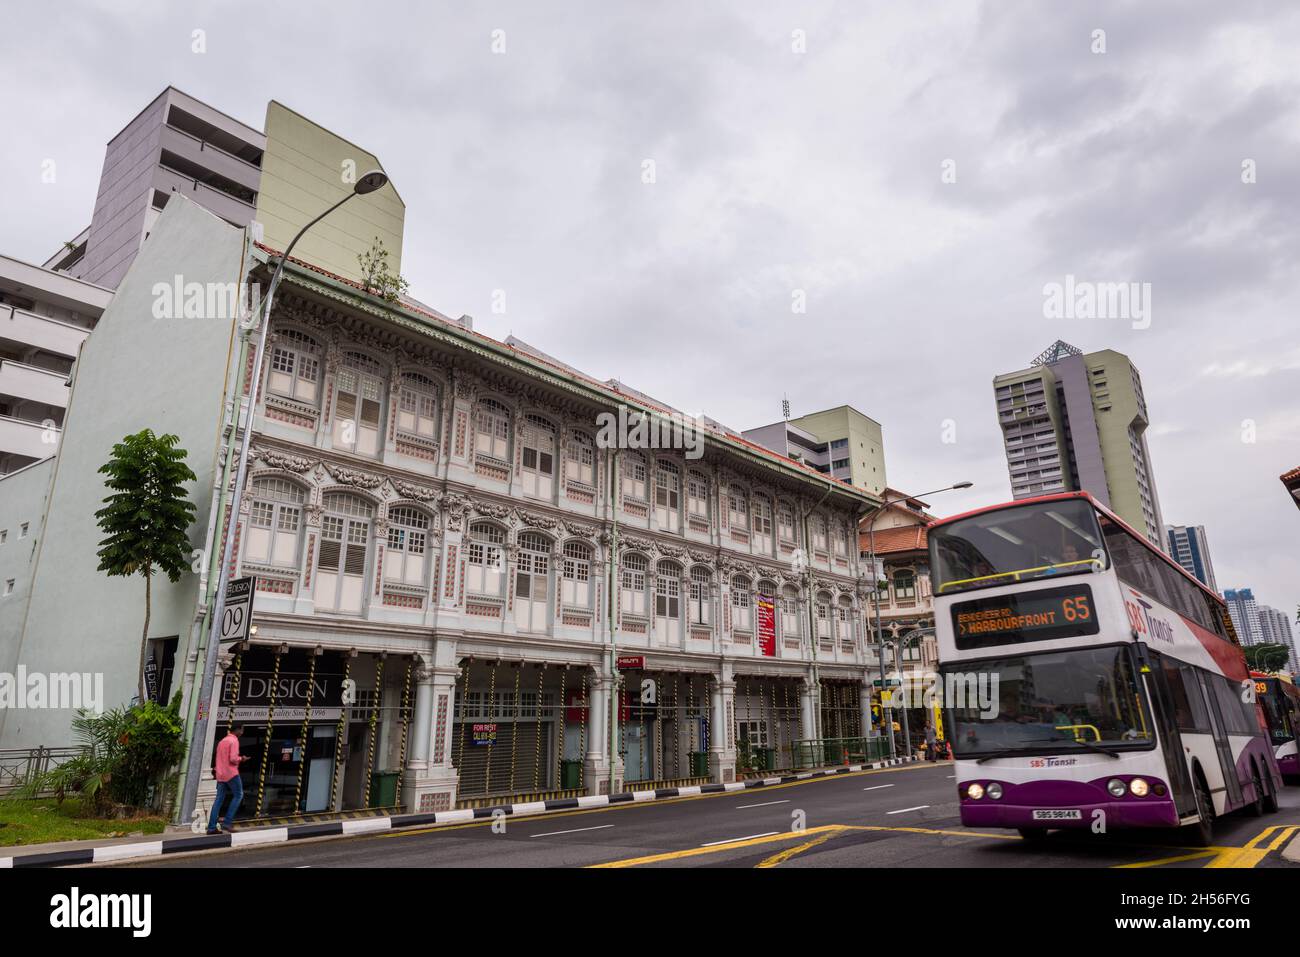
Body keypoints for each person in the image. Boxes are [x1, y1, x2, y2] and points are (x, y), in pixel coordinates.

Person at [207, 723, 248, 835]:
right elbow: (233, 759)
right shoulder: (234, 741)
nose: (242, 732)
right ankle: (227, 822)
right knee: (239, 795)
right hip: (231, 773)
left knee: (218, 800)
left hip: (220, 774)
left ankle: (211, 827)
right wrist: (242, 758)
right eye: (242, 730)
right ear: (238, 730)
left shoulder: (222, 741)